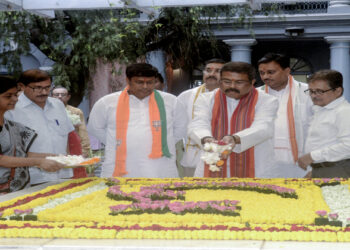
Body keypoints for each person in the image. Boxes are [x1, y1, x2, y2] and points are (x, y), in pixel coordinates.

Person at [87, 63, 185, 178]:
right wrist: (118, 143)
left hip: (160, 166)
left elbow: (181, 129)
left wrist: (162, 142)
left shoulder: (171, 101)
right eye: (139, 82)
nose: (145, 86)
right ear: (128, 81)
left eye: (150, 82)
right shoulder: (107, 102)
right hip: (121, 165)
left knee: (162, 195)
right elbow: (95, 128)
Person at [188, 61, 278, 178]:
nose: (232, 86)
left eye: (239, 82)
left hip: (255, 165)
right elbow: (198, 124)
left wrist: (235, 139)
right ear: (220, 81)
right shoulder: (206, 99)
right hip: (212, 163)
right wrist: (207, 139)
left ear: (252, 82)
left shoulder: (267, 100)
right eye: (227, 81)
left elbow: (263, 128)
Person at [5, 69, 74, 185]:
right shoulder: (11, 109)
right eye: (37, 88)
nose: (44, 92)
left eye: (47, 87)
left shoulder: (57, 105)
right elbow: (9, 150)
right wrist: (41, 160)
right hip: (31, 178)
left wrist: (68, 161)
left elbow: (65, 136)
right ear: (21, 86)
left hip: (64, 175)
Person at [257, 53, 313, 178]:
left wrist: (316, 166)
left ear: (287, 71)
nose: (265, 77)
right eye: (262, 73)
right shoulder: (255, 95)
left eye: (271, 72)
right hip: (263, 166)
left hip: (302, 164)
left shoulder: (308, 92)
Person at [176, 58, 226, 176]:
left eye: (217, 71)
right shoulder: (186, 96)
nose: (212, 74)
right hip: (192, 155)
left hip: (222, 154)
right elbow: (177, 124)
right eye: (208, 70)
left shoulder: (231, 96)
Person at [298, 70, 350, 178]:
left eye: (319, 91)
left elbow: (348, 146)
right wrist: (316, 170)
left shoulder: (344, 112)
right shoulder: (322, 110)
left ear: (338, 91)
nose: (314, 96)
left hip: (338, 170)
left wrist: (312, 156)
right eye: (311, 91)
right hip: (325, 169)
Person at [51, 86, 91, 157]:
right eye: (56, 95)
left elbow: (83, 133)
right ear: (51, 97)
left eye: (63, 95)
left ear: (68, 97)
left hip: (72, 149)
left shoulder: (76, 112)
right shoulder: (45, 112)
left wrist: (85, 151)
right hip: (51, 150)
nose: (60, 97)